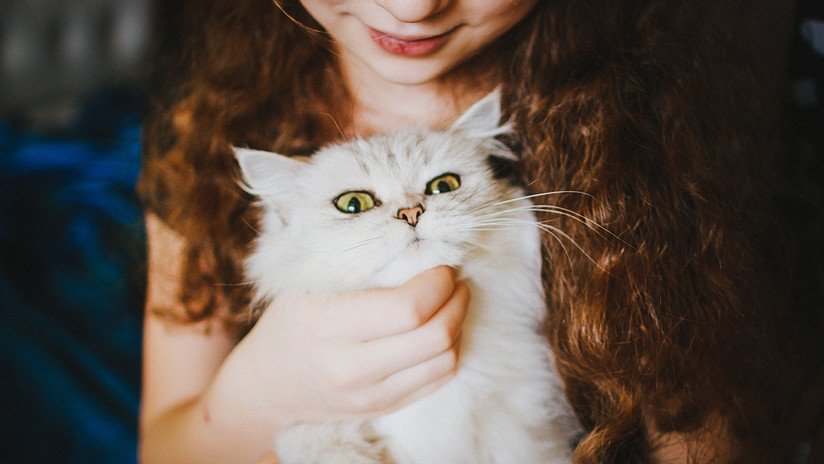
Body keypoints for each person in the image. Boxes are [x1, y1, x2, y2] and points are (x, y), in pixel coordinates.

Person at [137, 1, 824, 463]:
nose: (412, 6)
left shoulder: (655, 136)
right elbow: (162, 445)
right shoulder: (202, 132)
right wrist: (259, 393)